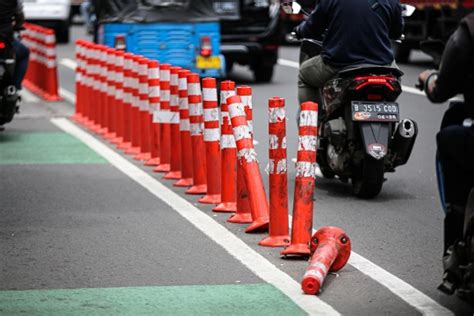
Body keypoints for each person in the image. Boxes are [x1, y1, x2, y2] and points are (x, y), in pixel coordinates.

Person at [418, 13, 474, 254]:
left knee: (449, 138)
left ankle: (456, 241)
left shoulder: (468, 32)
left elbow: (440, 89)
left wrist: (430, 77)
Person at [294, 0, 403, 106]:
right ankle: (387, 109)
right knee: (396, 78)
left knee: (305, 76)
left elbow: (313, 27)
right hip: (382, 65)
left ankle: (313, 120)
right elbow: (396, 32)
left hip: (339, 63)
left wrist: (299, 30)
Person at [0, 0, 29, 91]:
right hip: (4, 37)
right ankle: (15, 87)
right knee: (24, 52)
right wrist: (17, 25)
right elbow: (20, 16)